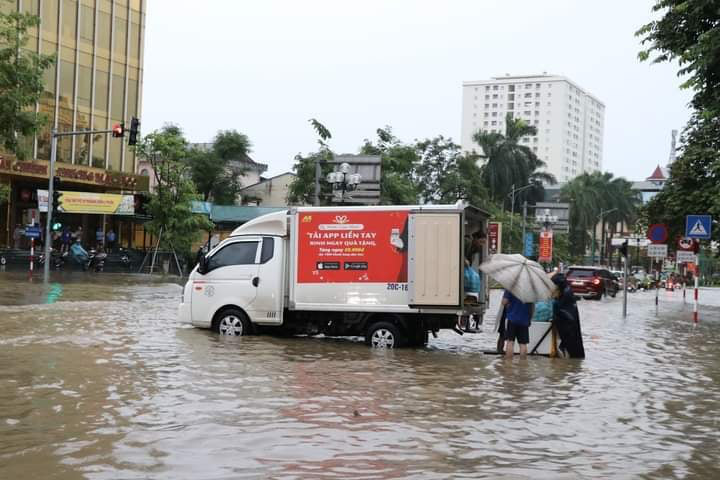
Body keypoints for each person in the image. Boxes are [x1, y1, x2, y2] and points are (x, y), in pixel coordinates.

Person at [550, 273, 585, 358]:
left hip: (569, 327)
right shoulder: (566, 290)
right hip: (570, 325)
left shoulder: (566, 293)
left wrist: (554, 303)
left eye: (554, 285)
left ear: (558, 284)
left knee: (571, 348)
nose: (553, 287)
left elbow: (562, 309)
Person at [502, 290, 534, 358]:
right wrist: (530, 318)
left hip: (512, 318)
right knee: (523, 344)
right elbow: (532, 307)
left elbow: (504, 302)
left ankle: (508, 364)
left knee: (510, 342)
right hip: (524, 319)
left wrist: (508, 303)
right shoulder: (529, 290)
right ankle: (523, 364)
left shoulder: (511, 287)